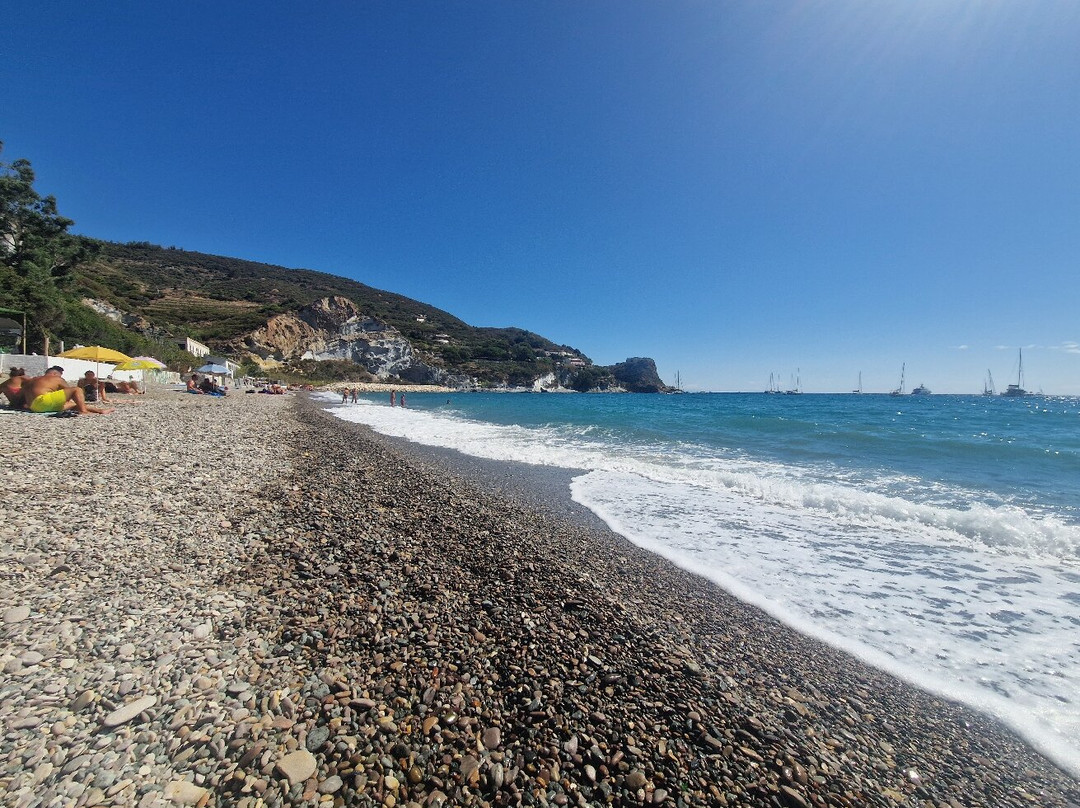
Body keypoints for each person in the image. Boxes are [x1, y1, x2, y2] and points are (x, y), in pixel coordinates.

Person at [21, 367, 113, 415]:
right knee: (76, 389)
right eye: (60, 375)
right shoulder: (55, 378)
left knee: (72, 405)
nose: (60, 377)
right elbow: (70, 390)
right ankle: (83, 411)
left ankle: (100, 410)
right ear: (54, 373)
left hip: (34, 407)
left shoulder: (33, 379)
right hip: (43, 401)